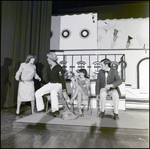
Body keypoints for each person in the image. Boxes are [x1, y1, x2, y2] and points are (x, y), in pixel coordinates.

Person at [35, 52, 69, 117]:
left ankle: (55, 111)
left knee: (53, 92)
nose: (47, 59)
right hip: (50, 84)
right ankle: (41, 108)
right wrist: (47, 90)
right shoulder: (48, 67)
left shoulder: (58, 67)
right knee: (37, 93)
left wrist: (64, 90)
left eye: (48, 58)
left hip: (58, 84)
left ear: (51, 58)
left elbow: (62, 79)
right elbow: (48, 78)